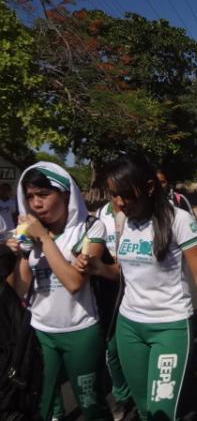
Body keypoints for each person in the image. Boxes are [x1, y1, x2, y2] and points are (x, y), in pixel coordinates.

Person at [104, 155, 197, 421]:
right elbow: (124, 272)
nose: (118, 202)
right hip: (129, 328)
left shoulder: (180, 220)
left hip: (170, 328)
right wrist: (95, 268)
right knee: (144, 410)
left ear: (149, 187)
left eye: (125, 195)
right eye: (114, 195)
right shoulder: (125, 221)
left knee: (162, 412)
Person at [10, 162, 113, 420]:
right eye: (30, 196)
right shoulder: (28, 234)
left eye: (44, 195)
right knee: (41, 403)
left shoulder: (90, 227)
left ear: (66, 195)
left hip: (80, 330)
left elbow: (75, 283)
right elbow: (20, 290)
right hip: (40, 331)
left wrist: (44, 239)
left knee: (90, 403)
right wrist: (22, 253)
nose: (36, 203)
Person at [95, 194, 131, 420]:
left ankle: (141, 391)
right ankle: (122, 394)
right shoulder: (99, 216)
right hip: (109, 286)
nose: (120, 198)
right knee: (112, 348)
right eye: (114, 192)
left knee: (133, 344)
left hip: (137, 286)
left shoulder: (139, 211)